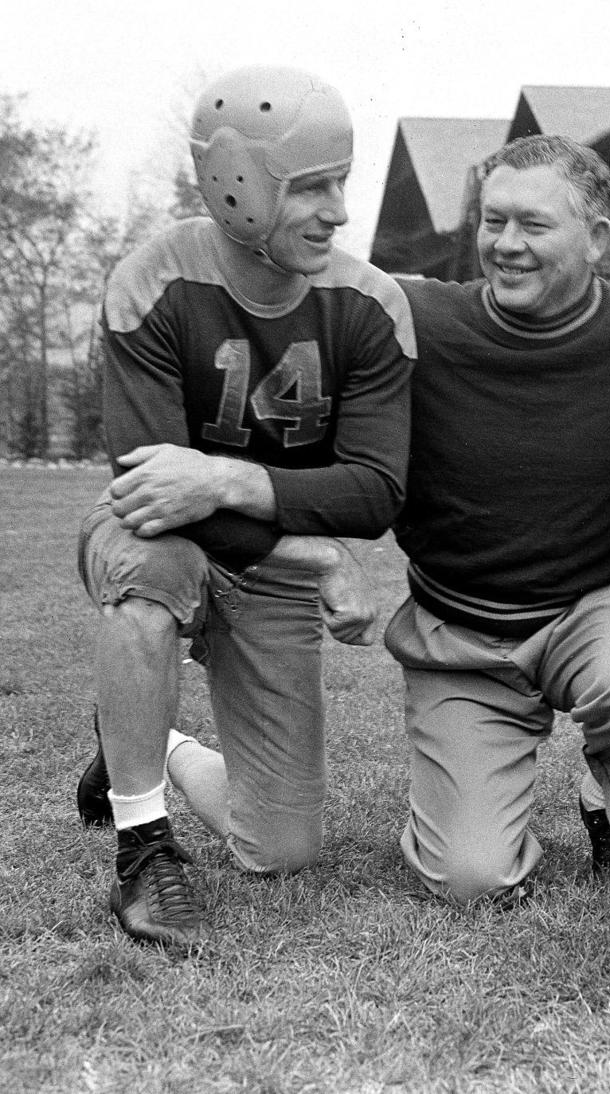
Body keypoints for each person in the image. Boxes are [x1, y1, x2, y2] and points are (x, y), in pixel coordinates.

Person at [74, 65, 414, 949]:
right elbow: (154, 495)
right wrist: (317, 554)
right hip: (161, 538)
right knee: (154, 564)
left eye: (341, 181)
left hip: (256, 563)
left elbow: (374, 493)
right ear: (238, 185)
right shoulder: (153, 281)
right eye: (311, 187)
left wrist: (225, 478)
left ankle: (144, 739)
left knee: (283, 848)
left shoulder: (370, 304)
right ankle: (144, 848)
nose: (338, 211)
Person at [385, 134, 610, 905]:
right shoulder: (416, 318)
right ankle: (161, 746)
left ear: (596, 239)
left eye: (533, 225)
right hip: (459, 632)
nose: (505, 245)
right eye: (493, 222)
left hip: (593, 605)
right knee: (470, 880)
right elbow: (307, 301)